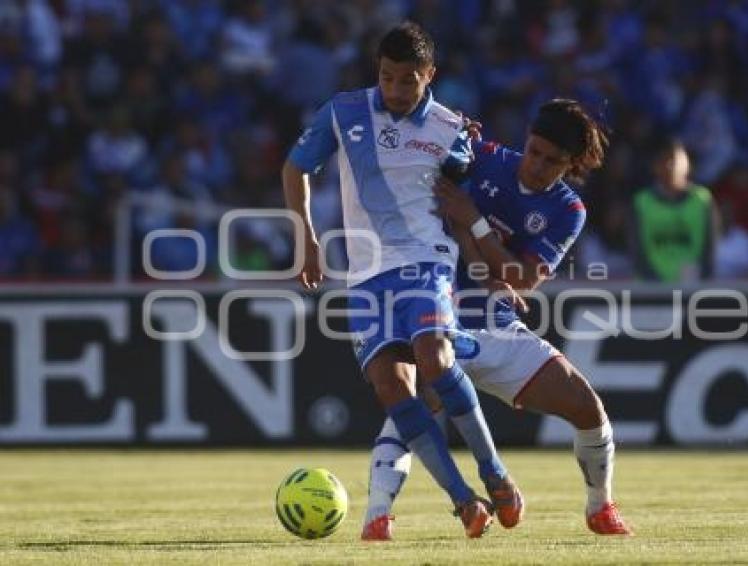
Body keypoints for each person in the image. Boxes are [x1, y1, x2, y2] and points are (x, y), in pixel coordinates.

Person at [281, 22, 521, 539]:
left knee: (435, 358)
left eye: (407, 80)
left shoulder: (451, 129)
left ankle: (495, 472)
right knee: (390, 385)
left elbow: (469, 193)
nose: (395, 90)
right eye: (388, 77)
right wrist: (306, 237)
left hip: (425, 259)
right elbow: (294, 168)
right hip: (365, 272)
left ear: (429, 75)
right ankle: (463, 501)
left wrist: (488, 265)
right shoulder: (344, 112)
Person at [362, 99, 633, 540]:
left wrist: (474, 224)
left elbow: (521, 279)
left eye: (553, 161)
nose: (538, 165)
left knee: (587, 407)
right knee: (417, 403)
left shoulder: (568, 210)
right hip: (438, 313)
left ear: (572, 164)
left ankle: (600, 507)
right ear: (525, 139)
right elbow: (423, 167)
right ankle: (377, 516)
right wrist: (450, 131)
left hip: (497, 325)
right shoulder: (483, 159)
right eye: (535, 151)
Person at [630, 138, 719, 282]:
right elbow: (637, 253)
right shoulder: (641, 203)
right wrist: (657, 286)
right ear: (654, 166)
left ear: (688, 164)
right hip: (650, 293)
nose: (671, 166)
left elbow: (710, 252)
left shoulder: (702, 200)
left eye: (675, 158)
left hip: (692, 291)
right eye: (664, 159)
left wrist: (700, 281)